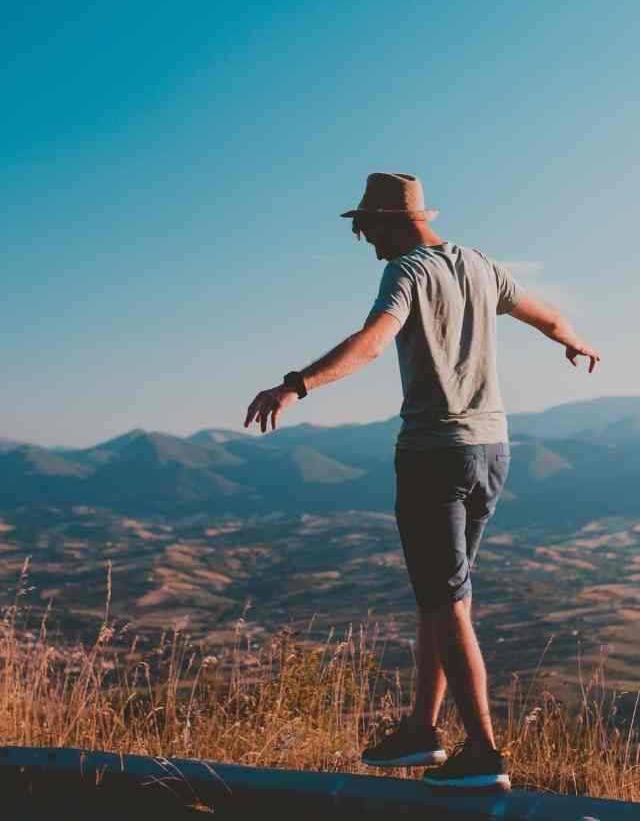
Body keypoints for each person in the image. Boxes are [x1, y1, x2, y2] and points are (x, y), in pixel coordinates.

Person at [243, 172, 601, 791]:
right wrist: (575, 343)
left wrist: (295, 385)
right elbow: (547, 316)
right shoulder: (481, 266)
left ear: (391, 221)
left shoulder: (407, 272)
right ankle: (421, 729)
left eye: (366, 228)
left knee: (447, 600)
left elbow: (372, 343)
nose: (366, 241)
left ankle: (483, 753)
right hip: (492, 450)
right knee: (444, 597)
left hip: (434, 454)